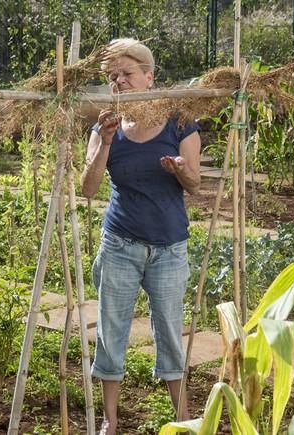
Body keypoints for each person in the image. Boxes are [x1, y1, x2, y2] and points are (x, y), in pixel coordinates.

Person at [81, 38, 201, 435]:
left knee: (169, 330)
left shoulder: (179, 121)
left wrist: (179, 169)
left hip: (169, 247)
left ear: (149, 77)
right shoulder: (104, 126)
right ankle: (109, 421)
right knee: (111, 330)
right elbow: (88, 188)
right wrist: (106, 143)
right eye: (112, 76)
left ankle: (183, 418)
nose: (119, 82)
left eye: (127, 74)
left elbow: (195, 184)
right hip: (120, 244)